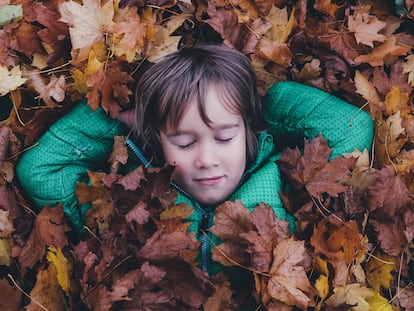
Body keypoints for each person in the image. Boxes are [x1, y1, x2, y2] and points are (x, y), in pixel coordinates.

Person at [15, 43, 374, 275]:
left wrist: (265, 106)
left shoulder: (285, 182)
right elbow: (40, 169)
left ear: (247, 131)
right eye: (185, 142)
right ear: (158, 142)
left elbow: (353, 128)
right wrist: (117, 119)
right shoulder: (128, 205)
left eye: (224, 137)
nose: (207, 158)